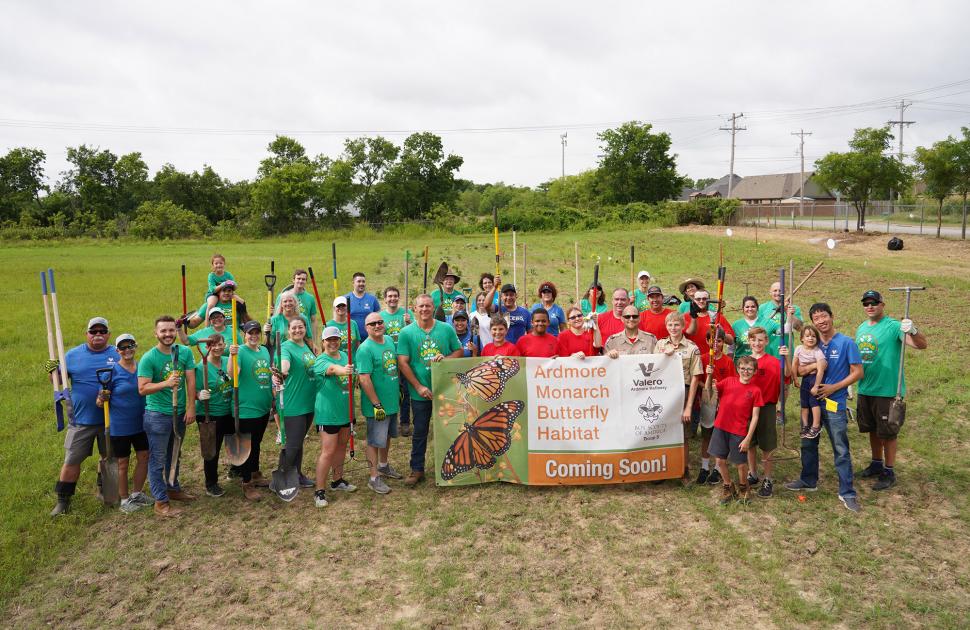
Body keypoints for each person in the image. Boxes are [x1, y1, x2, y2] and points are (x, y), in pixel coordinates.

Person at [784, 303, 864, 513]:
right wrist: (813, 366)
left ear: (831, 316)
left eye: (824, 316)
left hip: (833, 402)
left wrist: (833, 388)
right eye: (816, 318)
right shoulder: (811, 344)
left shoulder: (846, 342)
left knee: (840, 447)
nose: (821, 321)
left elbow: (857, 372)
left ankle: (847, 491)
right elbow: (799, 371)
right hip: (811, 403)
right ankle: (808, 480)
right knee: (807, 443)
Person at [854, 290, 927, 491]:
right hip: (866, 388)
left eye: (874, 303)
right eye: (866, 303)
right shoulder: (861, 328)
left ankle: (889, 471)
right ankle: (876, 463)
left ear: (882, 304)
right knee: (872, 430)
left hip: (887, 391)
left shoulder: (894, 326)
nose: (870, 306)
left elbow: (921, 345)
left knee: (888, 433)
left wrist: (912, 330)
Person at [49, 317, 122, 516]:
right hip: (81, 421)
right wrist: (52, 368)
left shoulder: (117, 354)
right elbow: (56, 380)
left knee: (108, 457)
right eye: (93, 331)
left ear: (108, 334)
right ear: (87, 334)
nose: (97, 335)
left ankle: (105, 492)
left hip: (110, 419)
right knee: (72, 460)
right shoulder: (71, 356)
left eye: (102, 331)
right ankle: (63, 502)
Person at [397, 294, 463, 485]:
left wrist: (446, 359)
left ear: (433, 308)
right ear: (414, 309)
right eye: (421, 306)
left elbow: (459, 352)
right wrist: (418, 386)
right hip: (421, 392)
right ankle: (417, 469)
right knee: (420, 431)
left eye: (428, 306)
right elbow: (403, 362)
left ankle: (456, 467)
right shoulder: (406, 333)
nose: (424, 309)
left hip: (446, 390)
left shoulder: (446, 329)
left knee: (452, 429)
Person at [137, 316, 197, 517]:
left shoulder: (184, 352)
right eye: (163, 331)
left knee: (175, 453)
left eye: (171, 330)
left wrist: (190, 407)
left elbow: (190, 381)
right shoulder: (149, 358)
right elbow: (143, 388)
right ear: (156, 333)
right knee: (158, 459)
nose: (168, 334)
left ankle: (172, 487)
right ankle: (160, 502)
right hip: (158, 416)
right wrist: (166, 383)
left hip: (179, 413)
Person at [100, 333, 150, 513]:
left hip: (142, 422)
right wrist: (102, 398)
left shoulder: (142, 367)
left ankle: (137, 494)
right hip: (120, 426)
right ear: (117, 350)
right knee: (123, 463)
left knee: (144, 457)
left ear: (135, 347)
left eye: (130, 346)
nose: (127, 350)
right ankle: (123, 499)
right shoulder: (111, 373)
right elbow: (100, 401)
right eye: (123, 347)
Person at [357, 313, 404, 495]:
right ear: (366, 328)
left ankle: (384, 466)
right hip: (377, 405)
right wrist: (377, 404)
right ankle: (374, 477)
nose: (377, 325)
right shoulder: (365, 349)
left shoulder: (389, 341)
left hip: (391, 401)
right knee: (375, 440)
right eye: (373, 323)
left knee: (387, 437)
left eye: (380, 322)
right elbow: (364, 379)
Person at [707, 355, 765, 505]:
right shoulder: (727, 382)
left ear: (754, 371)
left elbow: (755, 417)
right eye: (743, 368)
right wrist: (709, 375)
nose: (746, 371)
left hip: (738, 431)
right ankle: (728, 485)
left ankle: (743, 487)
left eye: (749, 369)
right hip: (720, 427)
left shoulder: (755, 390)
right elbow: (710, 392)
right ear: (738, 369)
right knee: (720, 460)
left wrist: (747, 438)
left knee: (740, 464)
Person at [311, 327, 357, 507]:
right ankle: (319, 491)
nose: (332, 343)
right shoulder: (321, 360)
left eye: (336, 339)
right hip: (328, 414)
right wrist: (344, 370)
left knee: (341, 446)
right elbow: (332, 369)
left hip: (345, 412)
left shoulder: (346, 356)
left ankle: (337, 480)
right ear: (323, 342)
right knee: (328, 451)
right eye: (329, 340)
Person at [656, 312, 703, 484]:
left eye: (676, 325)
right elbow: (652, 369)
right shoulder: (660, 345)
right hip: (662, 393)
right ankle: (662, 468)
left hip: (683, 392)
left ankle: (684, 470)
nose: (673, 328)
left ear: (682, 326)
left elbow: (696, 378)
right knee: (663, 433)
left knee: (682, 435)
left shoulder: (692, 348)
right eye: (670, 325)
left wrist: (689, 406)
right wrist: (663, 355)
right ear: (666, 326)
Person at [274, 317, 318, 490]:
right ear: (288, 330)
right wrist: (282, 371)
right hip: (293, 403)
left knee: (298, 441)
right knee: (292, 444)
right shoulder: (285, 347)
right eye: (294, 328)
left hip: (308, 402)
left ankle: (297, 474)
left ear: (305, 329)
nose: (298, 330)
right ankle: (281, 479)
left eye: (301, 327)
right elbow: (284, 364)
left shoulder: (306, 346)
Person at [232, 320, 274, 500]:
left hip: (263, 407)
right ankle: (246, 482)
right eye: (250, 333)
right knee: (246, 446)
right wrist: (232, 357)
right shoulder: (240, 351)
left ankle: (255, 473)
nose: (254, 336)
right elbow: (233, 374)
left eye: (257, 332)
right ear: (244, 335)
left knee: (256, 443)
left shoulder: (264, 350)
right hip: (246, 408)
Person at [743, 326, 784, 499]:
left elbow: (785, 381)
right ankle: (753, 473)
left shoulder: (774, 362)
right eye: (754, 340)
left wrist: (780, 405)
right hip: (747, 406)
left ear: (766, 341)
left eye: (760, 340)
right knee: (750, 443)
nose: (757, 343)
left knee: (767, 445)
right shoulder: (744, 361)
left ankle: (767, 478)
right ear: (749, 341)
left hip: (767, 406)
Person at [194, 333, 234, 497]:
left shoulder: (227, 362)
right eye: (213, 345)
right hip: (209, 414)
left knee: (233, 441)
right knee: (212, 449)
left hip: (229, 411)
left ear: (224, 345)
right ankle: (211, 483)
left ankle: (236, 469)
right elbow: (193, 391)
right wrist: (199, 394)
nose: (217, 348)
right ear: (207, 347)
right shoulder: (200, 367)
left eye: (220, 344)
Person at [696, 334, 737, 485]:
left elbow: (732, 382)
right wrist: (708, 386)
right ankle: (704, 467)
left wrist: (720, 390)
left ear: (723, 343)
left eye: (719, 341)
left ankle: (718, 469)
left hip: (723, 403)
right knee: (707, 435)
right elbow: (698, 380)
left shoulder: (728, 361)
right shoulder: (703, 359)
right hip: (707, 402)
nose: (715, 344)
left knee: (720, 436)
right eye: (712, 341)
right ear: (707, 341)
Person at [380, 285, 413, 436]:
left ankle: (405, 422)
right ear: (385, 299)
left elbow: (414, 332)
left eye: (395, 296)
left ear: (398, 298)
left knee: (405, 391)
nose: (392, 298)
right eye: (390, 296)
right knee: (391, 389)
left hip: (405, 357)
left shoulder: (407, 314)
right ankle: (388, 419)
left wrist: (409, 323)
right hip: (389, 359)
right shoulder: (381, 317)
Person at [684, 290, 735, 370]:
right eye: (698, 299)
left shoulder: (717, 317)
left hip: (712, 361)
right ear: (694, 300)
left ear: (709, 301)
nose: (701, 301)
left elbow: (731, 341)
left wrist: (719, 329)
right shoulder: (686, 317)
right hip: (692, 361)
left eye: (704, 299)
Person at [791, 325, 826, 439]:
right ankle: (805, 426)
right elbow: (795, 364)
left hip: (814, 378)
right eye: (807, 336)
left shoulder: (818, 352)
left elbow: (820, 370)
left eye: (813, 336)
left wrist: (816, 385)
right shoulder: (799, 349)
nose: (810, 338)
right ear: (802, 338)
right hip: (805, 379)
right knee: (804, 403)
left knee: (813, 402)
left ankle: (815, 426)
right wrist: (795, 378)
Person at [275, 269, 320, 349]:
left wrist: (314, 341)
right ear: (293, 280)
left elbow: (313, 320)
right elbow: (277, 315)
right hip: (285, 337)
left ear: (306, 281)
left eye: (303, 279)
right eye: (298, 278)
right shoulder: (282, 296)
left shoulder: (310, 298)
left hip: (303, 336)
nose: (300, 281)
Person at [758, 281, 804, 357]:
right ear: (770, 292)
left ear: (784, 292)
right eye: (775, 290)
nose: (778, 293)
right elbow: (757, 329)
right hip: (767, 351)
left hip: (786, 351)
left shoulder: (793, 308)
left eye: (780, 290)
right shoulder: (762, 308)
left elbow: (799, 328)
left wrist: (787, 310)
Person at [346, 272, 381, 341]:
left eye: (363, 281)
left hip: (370, 339)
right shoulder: (346, 299)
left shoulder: (372, 299)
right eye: (359, 281)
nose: (361, 283)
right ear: (353, 283)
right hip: (352, 340)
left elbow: (378, 318)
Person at [732, 296, 760, 364]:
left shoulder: (765, 322)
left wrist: (788, 314)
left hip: (759, 362)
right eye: (747, 307)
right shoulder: (736, 325)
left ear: (757, 308)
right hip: (740, 364)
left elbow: (784, 330)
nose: (750, 309)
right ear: (743, 309)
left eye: (753, 306)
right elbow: (731, 346)